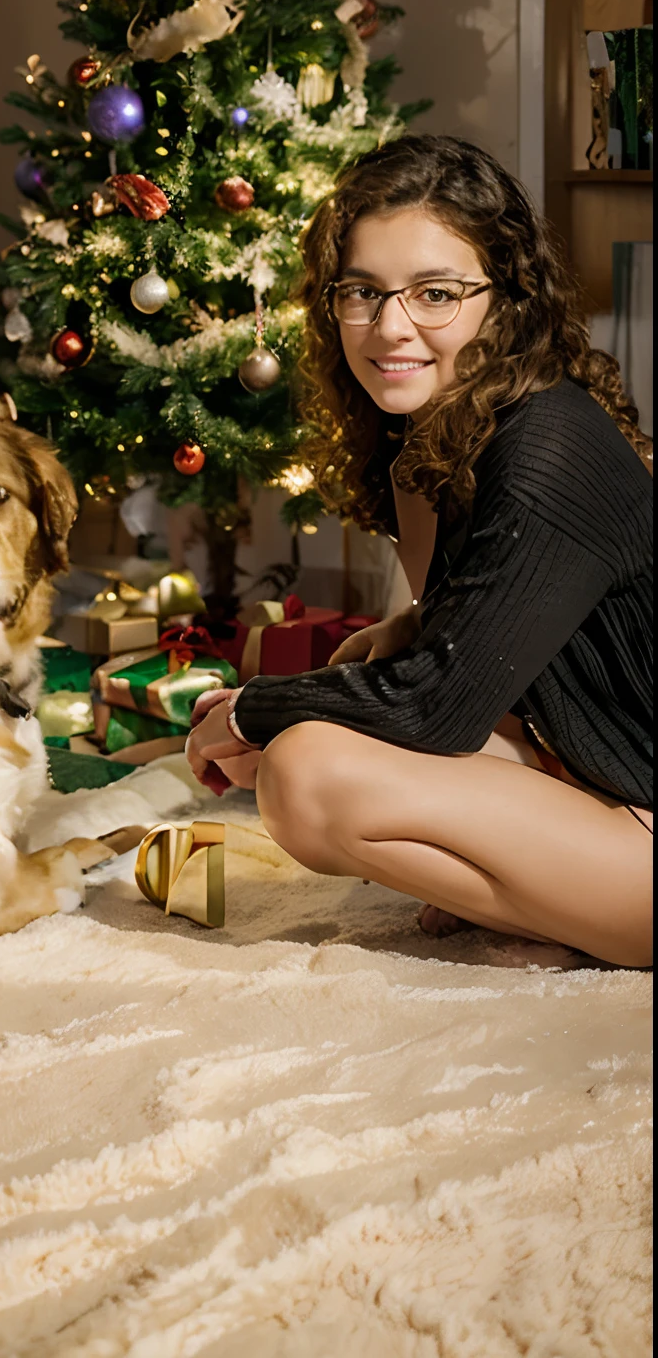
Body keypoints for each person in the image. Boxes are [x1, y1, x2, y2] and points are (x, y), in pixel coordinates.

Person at [186, 135, 653, 968]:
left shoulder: (546, 444)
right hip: (591, 768)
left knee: (304, 775)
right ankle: (560, 903)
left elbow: (436, 708)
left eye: (435, 293)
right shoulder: (429, 439)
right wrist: (402, 635)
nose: (390, 326)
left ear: (502, 301)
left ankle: (574, 922)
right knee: (312, 746)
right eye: (363, 292)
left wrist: (253, 705)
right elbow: (467, 651)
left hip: (641, 804)